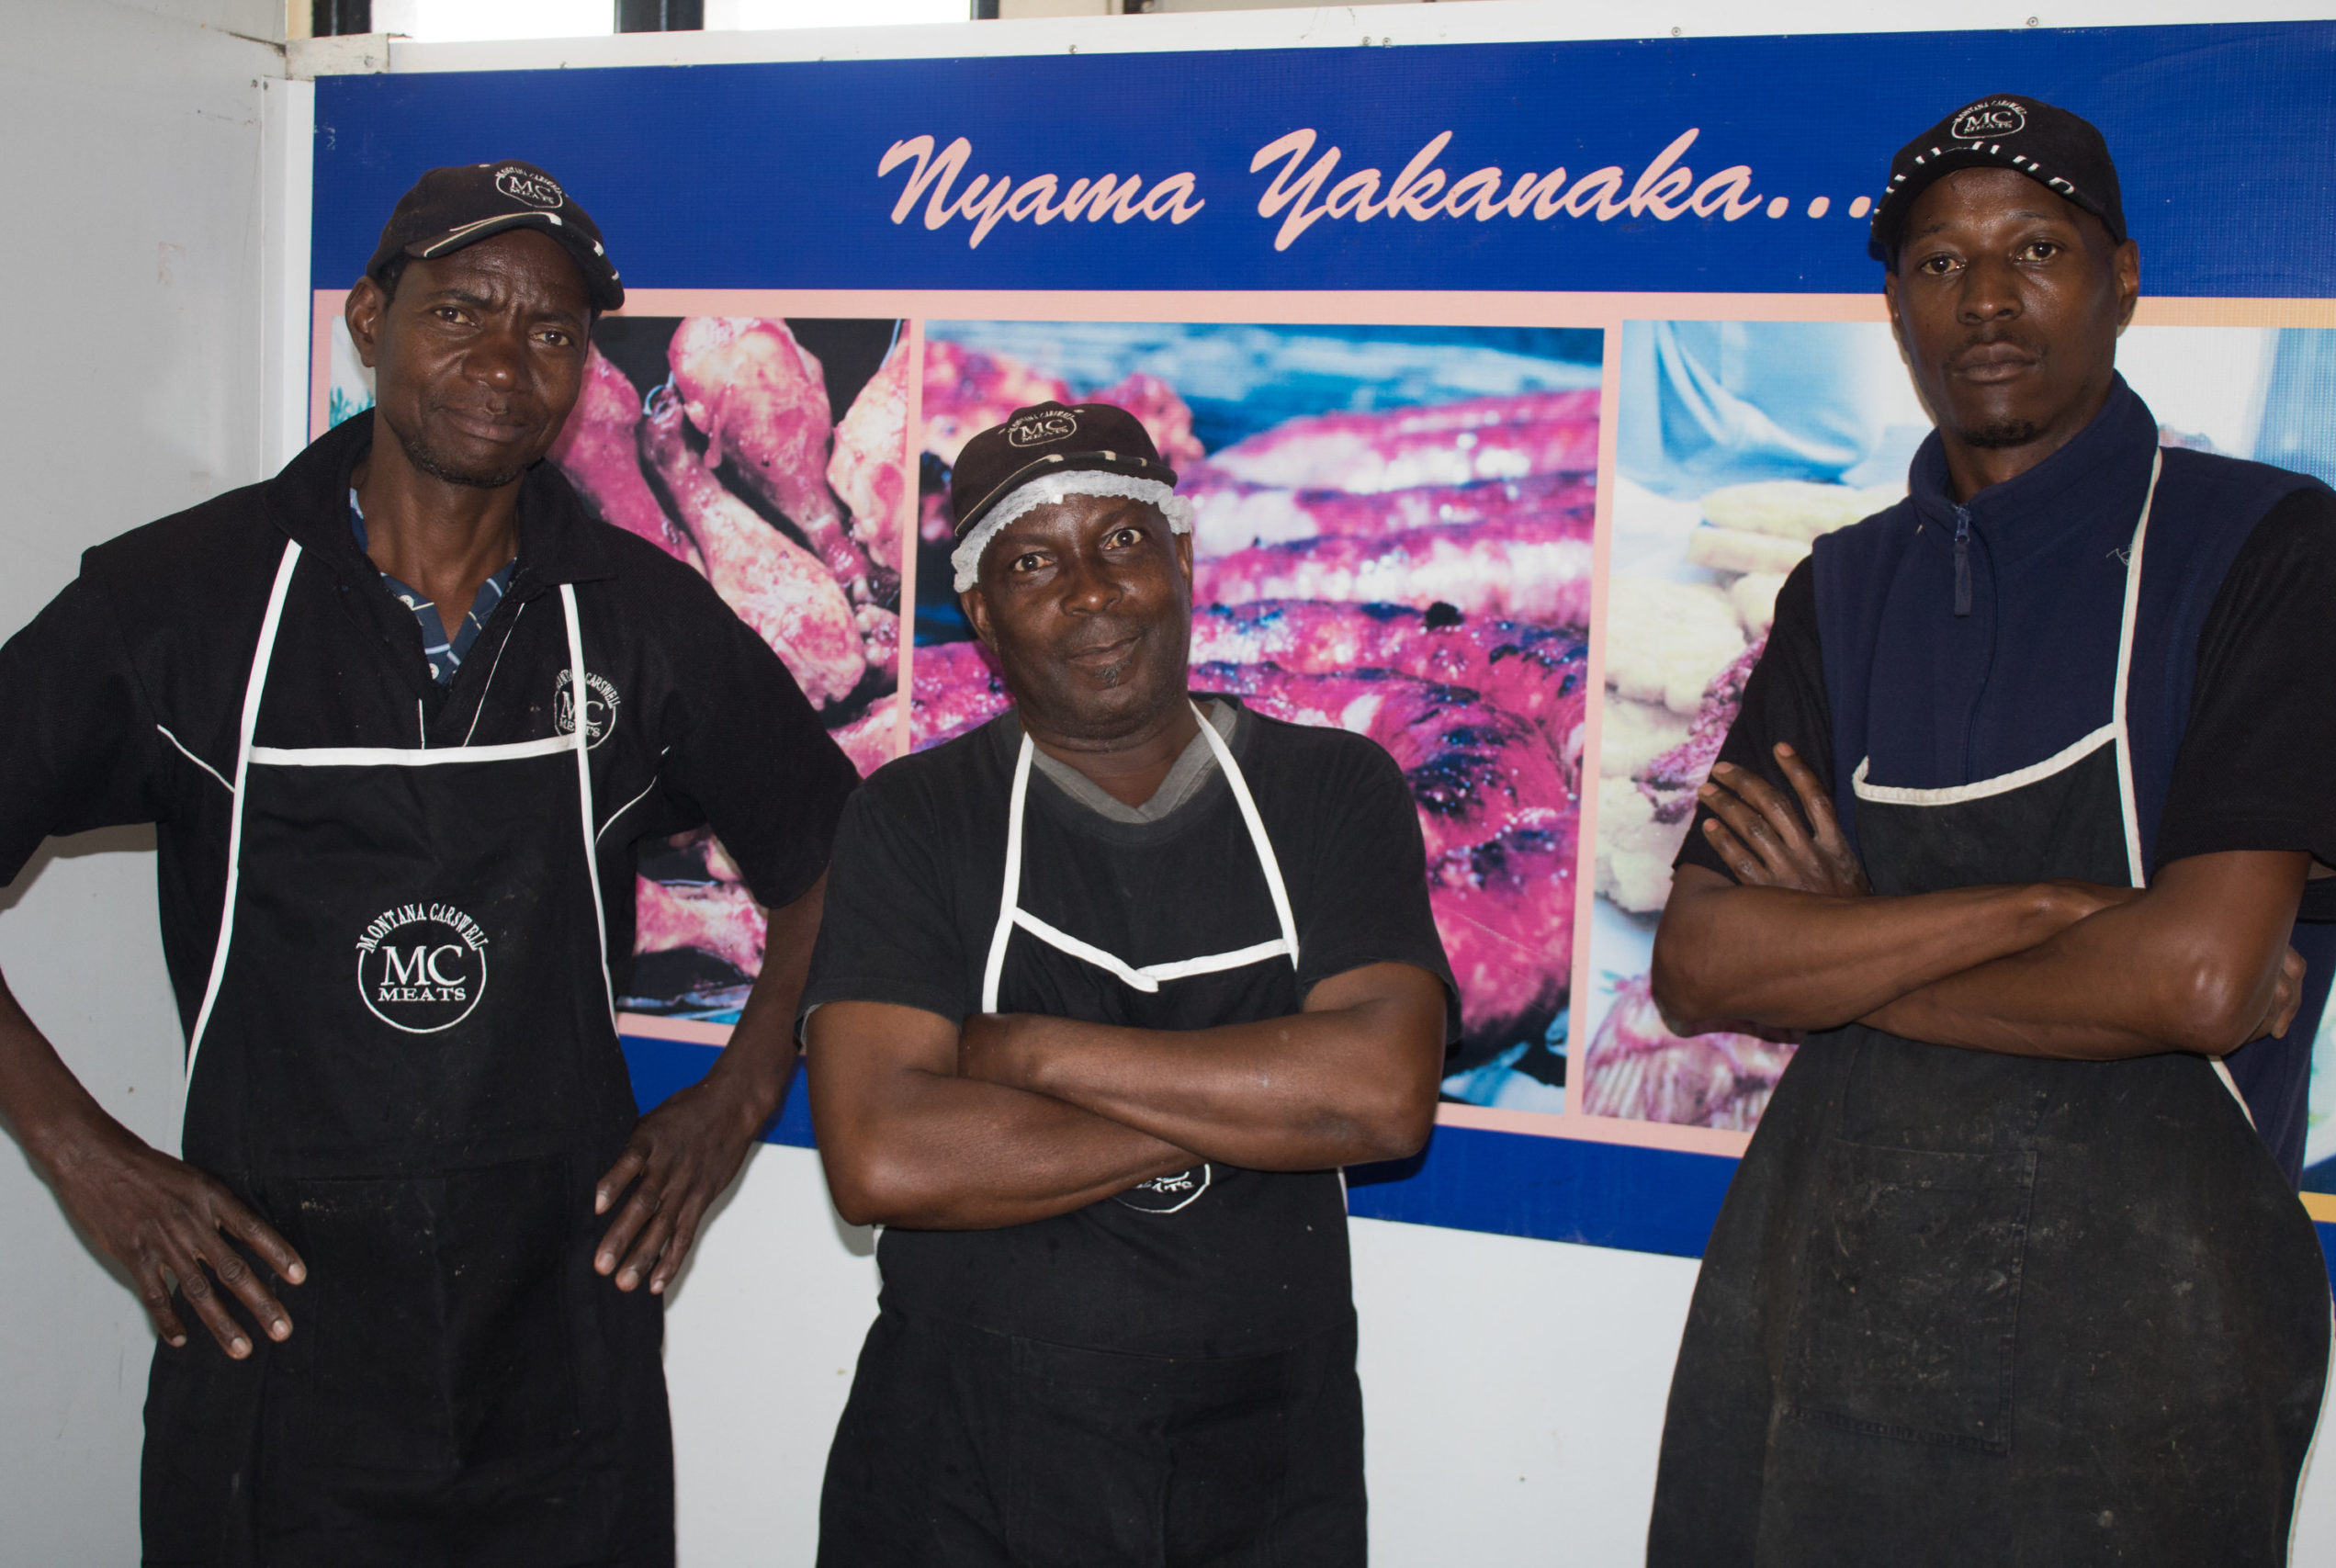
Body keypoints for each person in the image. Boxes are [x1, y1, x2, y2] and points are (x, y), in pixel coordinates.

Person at [0, 161, 858, 1562]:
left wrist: (737, 1096)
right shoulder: (178, 603)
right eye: (461, 311)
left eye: (551, 330)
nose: (505, 363)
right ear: (370, 318)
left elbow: (837, 857)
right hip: (269, 1349)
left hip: (561, 1351)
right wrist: (86, 1159)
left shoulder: (642, 619)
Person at [1642, 96, 2336, 1565]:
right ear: (1896, 306)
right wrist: (2053, 910)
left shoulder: (2269, 549)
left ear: (2123, 278)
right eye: (1938, 261)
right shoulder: (1843, 587)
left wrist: (1845, 947)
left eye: (2036, 248)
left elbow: (2197, 980)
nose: (1985, 298)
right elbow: (1703, 964)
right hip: (1820, 1325)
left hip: (2147, 1370)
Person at [799, 401, 1455, 1567]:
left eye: (1120, 540)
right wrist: (1267, 1101)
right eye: (1033, 562)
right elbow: (885, 1157)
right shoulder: (914, 817)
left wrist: (1028, 1054)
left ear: (1182, 559)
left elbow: (1384, 1098)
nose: (1092, 592)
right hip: (962, 1460)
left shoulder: (1332, 790)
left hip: (1266, 1453)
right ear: (981, 614)